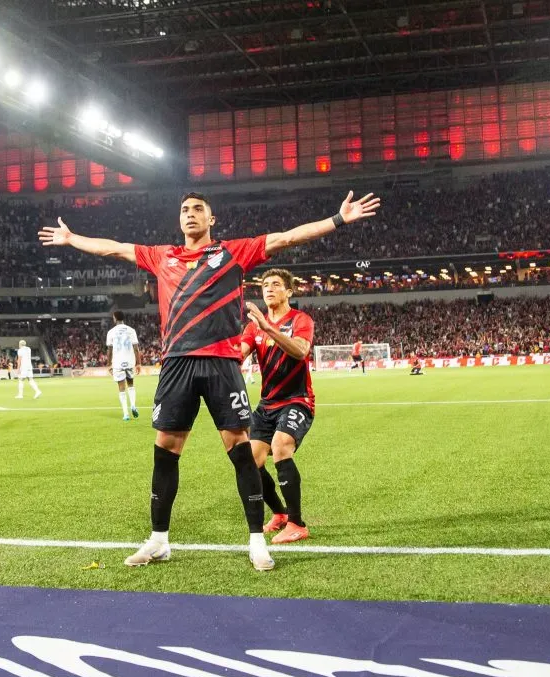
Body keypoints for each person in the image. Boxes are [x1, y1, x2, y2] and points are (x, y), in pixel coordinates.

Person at [39, 189, 379, 571]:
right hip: (177, 364)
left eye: (198, 209)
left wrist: (338, 219)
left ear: (211, 219)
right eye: (184, 209)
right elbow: (113, 248)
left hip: (221, 364)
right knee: (165, 448)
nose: (190, 214)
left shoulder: (234, 252)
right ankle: (159, 540)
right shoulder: (161, 255)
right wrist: (71, 239)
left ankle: (255, 541)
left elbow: (287, 237)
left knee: (240, 449)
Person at [240, 268, 316, 544]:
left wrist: (267, 327)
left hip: (297, 400)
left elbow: (300, 351)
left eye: (275, 285)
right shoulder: (253, 327)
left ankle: (297, 523)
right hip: (267, 404)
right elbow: (240, 353)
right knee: (251, 461)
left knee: (281, 446)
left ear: (289, 291)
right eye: (264, 286)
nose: (269, 289)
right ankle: (280, 514)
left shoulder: (300, 320)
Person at [106, 311, 141, 421]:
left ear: (115, 318)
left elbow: (109, 350)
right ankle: (133, 405)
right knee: (131, 384)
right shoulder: (131, 330)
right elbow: (136, 349)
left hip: (117, 362)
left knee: (121, 388)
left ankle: (126, 414)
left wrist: (108, 364)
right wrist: (138, 363)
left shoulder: (111, 332)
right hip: (130, 361)